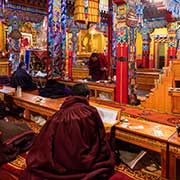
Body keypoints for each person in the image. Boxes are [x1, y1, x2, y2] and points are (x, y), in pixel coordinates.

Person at [20, 83, 115, 180]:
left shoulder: (58, 115)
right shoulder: (90, 111)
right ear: (87, 97)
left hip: (60, 159)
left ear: (71, 95)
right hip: (85, 159)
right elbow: (100, 136)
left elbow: (46, 138)